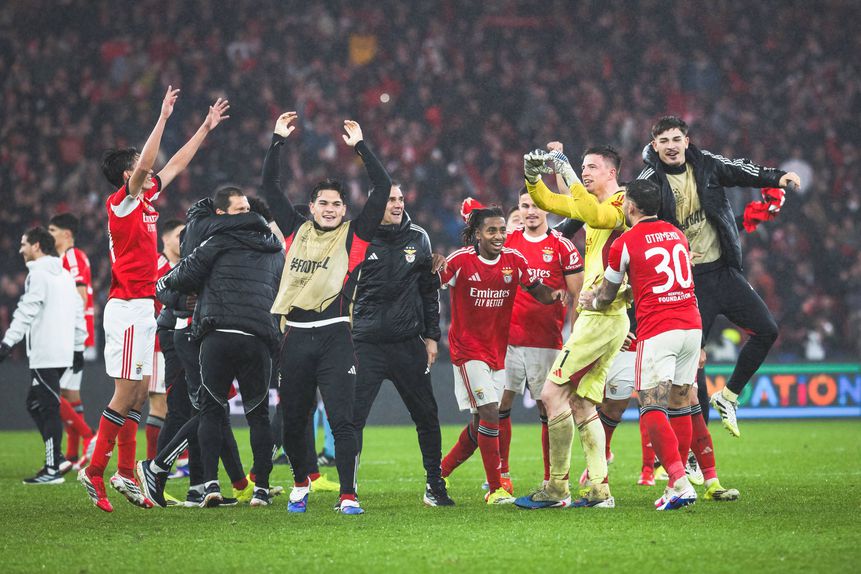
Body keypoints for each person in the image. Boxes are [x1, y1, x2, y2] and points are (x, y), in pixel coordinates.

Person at [78, 86, 229, 513]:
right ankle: (96, 472)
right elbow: (148, 162)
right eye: (140, 171)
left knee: (142, 396)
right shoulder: (121, 205)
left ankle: (126, 472)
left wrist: (203, 126)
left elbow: (177, 162)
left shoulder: (145, 200)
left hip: (145, 308)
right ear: (127, 177)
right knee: (125, 395)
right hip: (127, 308)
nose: (149, 173)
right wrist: (162, 117)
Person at [638, 116, 801, 437]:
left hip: (723, 271)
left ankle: (728, 397)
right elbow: (635, 222)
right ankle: (696, 453)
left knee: (767, 330)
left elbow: (743, 170)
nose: (671, 146)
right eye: (664, 141)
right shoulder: (648, 181)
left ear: (687, 140)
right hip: (686, 283)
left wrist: (779, 176)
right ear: (654, 146)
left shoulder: (708, 164)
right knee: (691, 369)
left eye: (676, 139)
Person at [263, 112, 391, 515]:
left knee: (343, 420)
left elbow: (383, 186)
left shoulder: (355, 235)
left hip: (336, 335)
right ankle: (301, 483)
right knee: (294, 419)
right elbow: (269, 186)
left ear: (343, 208)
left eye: (337, 203)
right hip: (295, 336)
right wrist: (277, 140)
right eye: (324, 203)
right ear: (313, 207)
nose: (331, 208)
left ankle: (348, 494)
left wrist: (360, 147)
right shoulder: (293, 230)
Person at [138, 197, 272, 508]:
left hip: (204, 332)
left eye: (248, 212)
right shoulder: (204, 236)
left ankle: (202, 483)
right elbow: (165, 286)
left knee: (209, 411)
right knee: (197, 410)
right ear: (221, 213)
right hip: (186, 333)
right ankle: (157, 466)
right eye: (239, 210)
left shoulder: (238, 243)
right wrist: (182, 303)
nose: (246, 217)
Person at [514, 145, 628, 510]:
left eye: (592, 167)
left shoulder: (622, 203)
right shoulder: (593, 205)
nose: (586, 172)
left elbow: (592, 211)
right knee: (580, 402)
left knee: (550, 394)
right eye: (583, 167)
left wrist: (567, 173)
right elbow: (549, 202)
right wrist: (534, 179)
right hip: (606, 317)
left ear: (612, 172)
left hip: (601, 316)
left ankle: (557, 486)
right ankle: (599, 489)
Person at [580, 179, 701, 509]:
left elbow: (606, 296)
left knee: (650, 407)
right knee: (680, 405)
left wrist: (590, 301)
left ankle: (678, 481)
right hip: (691, 324)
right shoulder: (676, 234)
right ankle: (680, 478)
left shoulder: (626, 242)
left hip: (659, 328)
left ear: (629, 207)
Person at [438, 206, 565, 505]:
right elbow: (429, 284)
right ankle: (496, 488)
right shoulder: (460, 261)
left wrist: (554, 295)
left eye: (502, 230)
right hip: (467, 352)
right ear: (477, 234)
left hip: (498, 352)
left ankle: (438, 474)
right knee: (491, 412)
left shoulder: (514, 260)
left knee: (478, 425)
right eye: (491, 231)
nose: (498, 236)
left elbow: (538, 290)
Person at [351, 183, 453, 507]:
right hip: (364, 343)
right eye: (389, 199)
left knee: (427, 416)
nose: (396, 204)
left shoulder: (418, 238)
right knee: (352, 420)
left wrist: (432, 336)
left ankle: (435, 485)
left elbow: (428, 291)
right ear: (374, 203)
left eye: (399, 198)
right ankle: (347, 490)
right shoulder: (358, 239)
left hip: (407, 343)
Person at [498, 189, 583, 493]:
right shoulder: (508, 243)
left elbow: (577, 295)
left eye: (535, 205)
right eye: (524, 206)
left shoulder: (562, 246)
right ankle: (501, 476)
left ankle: (552, 477)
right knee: (499, 405)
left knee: (548, 409)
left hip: (546, 341)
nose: (530, 211)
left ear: (547, 207)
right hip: (507, 339)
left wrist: (574, 337)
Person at [0, 228, 86, 484]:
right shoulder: (65, 274)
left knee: (48, 407)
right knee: (35, 403)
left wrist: (7, 342)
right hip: (62, 351)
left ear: (37, 246)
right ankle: (57, 459)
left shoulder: (37, 275)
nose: (21, 249)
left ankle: (52, 469)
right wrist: (78, 346)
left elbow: (27, 310)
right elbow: (77, 311)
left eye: (24, 244)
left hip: (45, 354)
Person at [47, 213, 96, 470]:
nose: (48, 234)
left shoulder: (72, 256)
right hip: (73, 333)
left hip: (70, 334)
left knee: (47, 391)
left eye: (52, 230)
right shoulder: (67, 258)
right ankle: (72, 455)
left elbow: (80, 296)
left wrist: (70, 334)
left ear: (67, 234)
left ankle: (90, 436)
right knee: (69, 394)